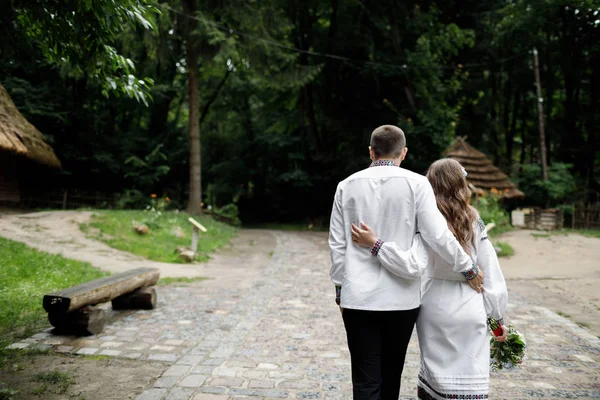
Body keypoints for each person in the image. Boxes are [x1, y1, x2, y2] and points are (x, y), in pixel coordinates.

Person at [328, 125, 484, 400]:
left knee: (365, 380)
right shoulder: (416, 184)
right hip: (401, 299)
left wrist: (340, 290)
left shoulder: (346, 186)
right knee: (391, 377)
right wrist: (468, 267)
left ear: (371, 151)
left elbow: (338, 245)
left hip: (359, 299)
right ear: (404, 153)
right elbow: (438, 235)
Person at [351, 158, 509, 400]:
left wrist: (376, 244)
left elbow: (412, 263)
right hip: (469, 303)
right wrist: (497, 320)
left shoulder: (423, 219)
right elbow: (491, 272)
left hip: (434, 306)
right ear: (462, 184)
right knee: (472, 375)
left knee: (436, 382)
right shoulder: (473, 219)